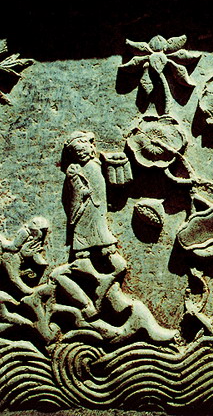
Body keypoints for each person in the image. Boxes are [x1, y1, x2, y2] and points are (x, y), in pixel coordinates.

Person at [60, 131, 126, 315]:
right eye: (77, 152)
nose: (81, 154)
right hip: (85, 216)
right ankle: (96, 285)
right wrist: (83, 193)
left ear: (91, 148)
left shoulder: (96, 164)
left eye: (83, 150)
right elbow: (76, 194)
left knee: (108, 251)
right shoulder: (74, 169)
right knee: (85, 252)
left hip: (98, 214)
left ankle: (102, 286)